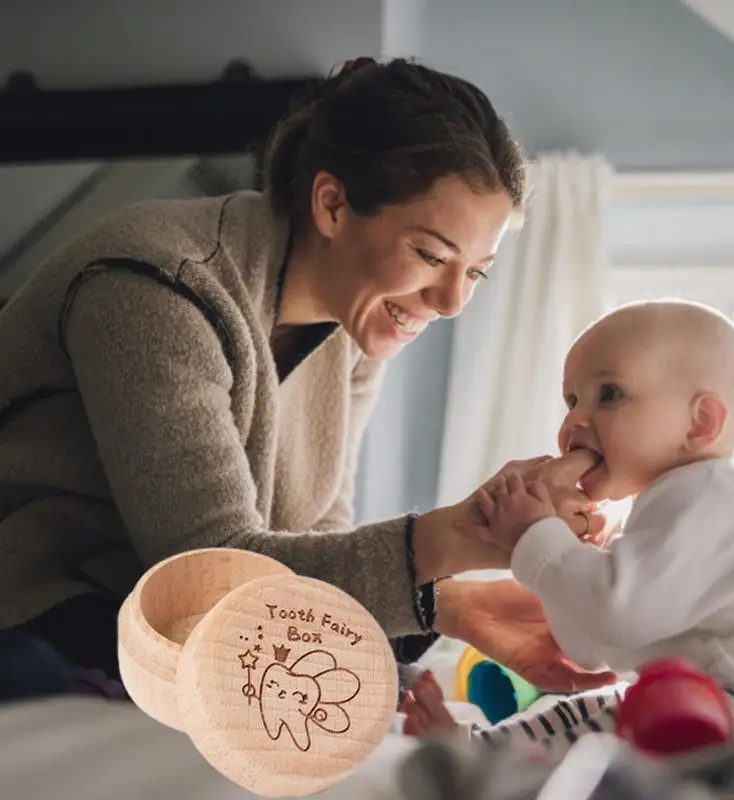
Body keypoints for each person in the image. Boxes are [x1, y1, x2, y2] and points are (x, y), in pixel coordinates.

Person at [0, 56, 612, 701]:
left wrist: (448, 604)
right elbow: (208, 576)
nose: (453, 301)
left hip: (160, 618)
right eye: (430, 254)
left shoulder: (353, 332)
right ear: (333, 204)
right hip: (43, 615)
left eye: (477, 271)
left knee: (384, 701)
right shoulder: (153, 288)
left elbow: (311, 540)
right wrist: (463, 533)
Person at [402, 299, 734, 756]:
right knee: (592, 707)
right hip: (716, 699)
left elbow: (622, 614)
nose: (573, 421)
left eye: (609, 394)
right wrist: (575, 562)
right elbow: (592, 647)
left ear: (700, 422)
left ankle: (502, 776)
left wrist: (539, 540)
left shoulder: (709, 496)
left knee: (618, 727)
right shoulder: (658, 511)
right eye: (570, 401)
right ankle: (481, 754)